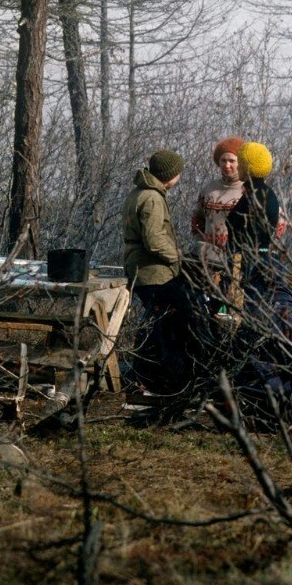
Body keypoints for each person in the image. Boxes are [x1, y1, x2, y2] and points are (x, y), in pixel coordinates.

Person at [121, 147, 202, 398]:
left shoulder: (140, 192)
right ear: (170, 174)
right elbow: (155, 240)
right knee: (171, 323)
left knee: (157, 325)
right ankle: (164, 381)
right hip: (153, 272)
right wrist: (179, 258)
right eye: (178, 173)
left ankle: (146, 378)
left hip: (143, 268)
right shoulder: (153, 198)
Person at [225, 140, 286, 294]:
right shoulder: (265, 193)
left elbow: (239, 228)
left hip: (250, 267)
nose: (237, 166)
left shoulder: (254, 196)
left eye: (241, 163)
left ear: (247, 167)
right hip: (259, 261)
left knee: (245, 309)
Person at [190, 136, 246, 284]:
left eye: (232, 161)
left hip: (238, 261)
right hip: (209, 260)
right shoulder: (209, 190)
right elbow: (197, 218)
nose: (227, 165)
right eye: (223, 160)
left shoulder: (248, 191)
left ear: (240, 162)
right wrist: (199, 241)